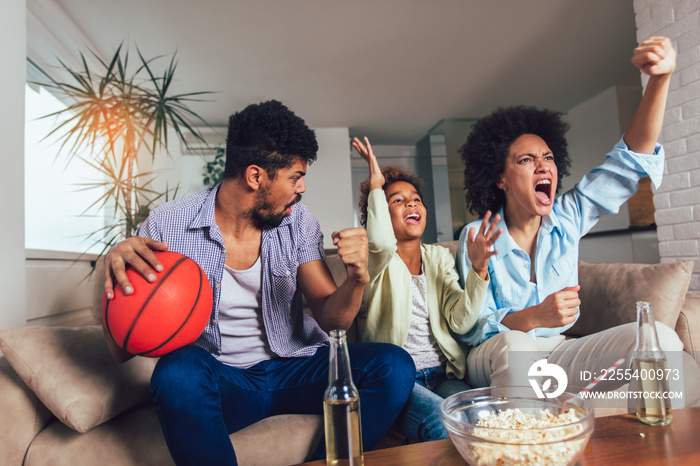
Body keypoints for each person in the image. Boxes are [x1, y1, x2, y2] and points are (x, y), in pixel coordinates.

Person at [101, 100, 415, 465]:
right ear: (255, 177)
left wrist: (357, 278)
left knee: (393, 366)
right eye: (295, 176)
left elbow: (333, 320)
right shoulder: (167, 226)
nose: (302, 188)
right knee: (177, 372)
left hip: (295, 369)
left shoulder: (297, 222)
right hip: (224, 381)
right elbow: (121, 350)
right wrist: (114, 268)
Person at [455, 37, 685, 396]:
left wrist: (660, 79)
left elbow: (628, 164)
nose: (543, 166)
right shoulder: (477, 235)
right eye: (526, 160)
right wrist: (534, 317)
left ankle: (582, 416)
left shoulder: (567, 217)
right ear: (500, 178)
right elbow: (471, 327)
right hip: (492, 356)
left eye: (547, 158)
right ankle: (527, 446)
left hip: (557, 350)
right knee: (518, 348)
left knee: (662, 340)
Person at [353, 136, 501, 441]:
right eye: (397, 200)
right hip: (400, 381)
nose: (410, 203)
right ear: (379, 213)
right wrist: (377, 186)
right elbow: (380, 241)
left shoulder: (440, 257)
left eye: (416, 199)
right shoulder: (376, 259)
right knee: (441, 424)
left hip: (443, 374)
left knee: (487, 417)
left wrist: (479, 270)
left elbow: (461, 321)